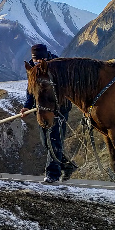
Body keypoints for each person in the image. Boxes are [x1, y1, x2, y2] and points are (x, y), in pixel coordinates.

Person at [21, 43, 76, 184]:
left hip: (58, 109)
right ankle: (67, 166)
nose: (37, 63)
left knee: (54, 140)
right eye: (35, 61)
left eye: (40, 61)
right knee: (45, 141)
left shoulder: (58, 67)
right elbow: (30, 90)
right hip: (41, 110)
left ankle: (52, 175)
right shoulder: (32, 69)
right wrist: (27, 106)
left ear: (45, 58)